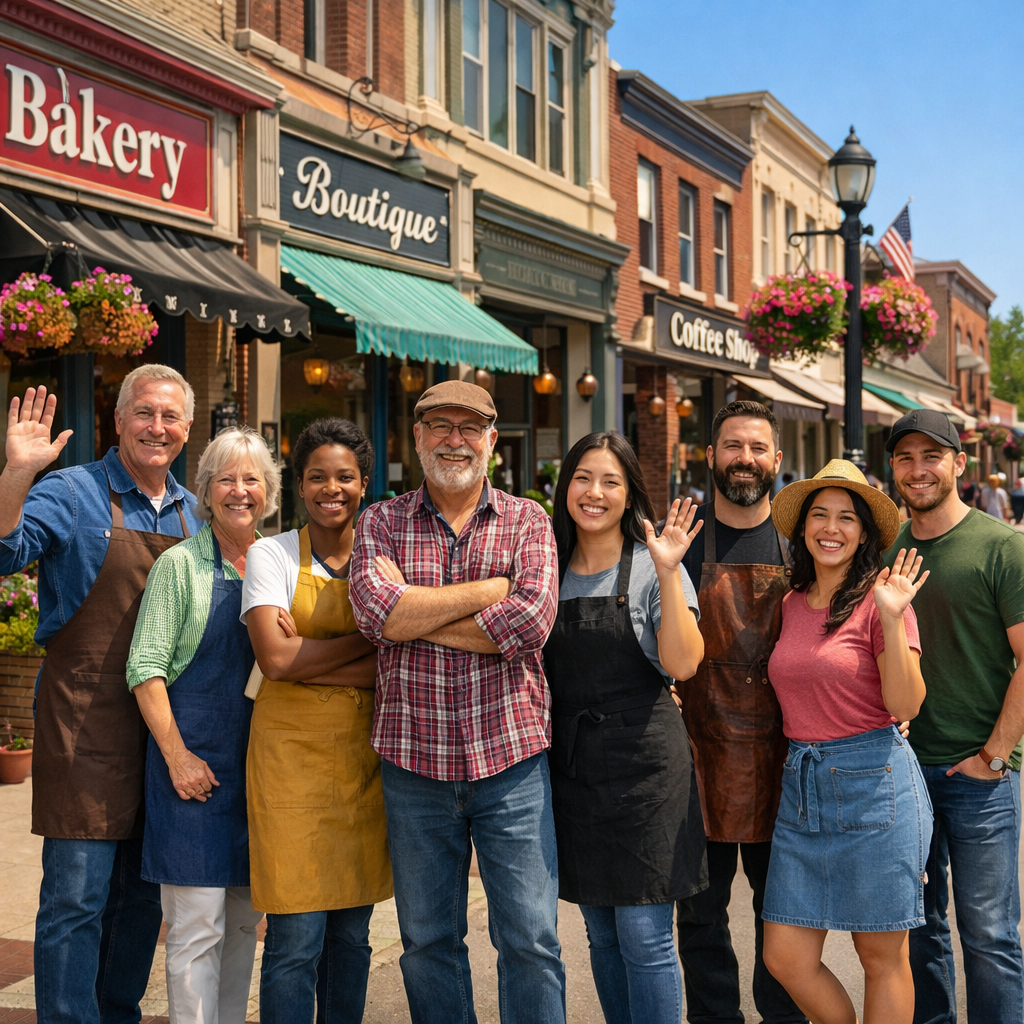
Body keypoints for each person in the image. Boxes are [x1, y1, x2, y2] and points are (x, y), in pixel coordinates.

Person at [349, 381, 565, 1024]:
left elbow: (530, 624)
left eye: (469, 428)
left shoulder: (529, 520)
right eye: (439, 426)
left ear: (492, 442)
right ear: (416, 438)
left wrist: (413, 612)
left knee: (529, 940)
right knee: (426, 942)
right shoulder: (380, 522)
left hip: (512, 763)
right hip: (414, 766)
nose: (454, 439)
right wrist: (488, 590)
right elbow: (373, 613)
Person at [0, 368, 199, 1024]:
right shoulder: (71, 491)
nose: (157, 428)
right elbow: (4, 552)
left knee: (143, 898)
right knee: (76, 896)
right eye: (144, 413)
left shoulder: (195, 512)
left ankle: (118, 1012)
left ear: (188, 430)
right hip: (82, 723)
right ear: (118, 421)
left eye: (171, 417)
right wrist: (16, 475)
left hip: (164, 731)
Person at [545, 431, 707, 1024]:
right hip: (575, 770)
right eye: (583, 478)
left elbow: (684, 664)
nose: (595, 493)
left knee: (645, 937)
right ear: (566, 489)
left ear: (629, 492)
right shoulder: (546, 566)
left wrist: (669, 570)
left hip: (646, 772)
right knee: (602, 935)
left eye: (611, 481)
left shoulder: (652, 565)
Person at [762, 460, 932, 1024]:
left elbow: (906, 706)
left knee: (880, 955)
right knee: (785, 956)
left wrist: (890, 617)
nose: (830, 529)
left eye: (845, 518)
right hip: (803, 785)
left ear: (864, 533)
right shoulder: (792, 601)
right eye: (819, 515)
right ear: (804, 527)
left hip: (873, 781)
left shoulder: (883, 599)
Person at [127, 426, 280, 1024]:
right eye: (227, 479)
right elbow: (146, 668)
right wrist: (177, 756)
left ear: (268, 491)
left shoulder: (278, 563)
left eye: (252, 479)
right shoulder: (179, 566)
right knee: (195, 926)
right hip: (192, 764)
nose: (240, 491)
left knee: (244, 921)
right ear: (205, 491)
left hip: (259, 771)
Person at [242, 418, 391, 1024]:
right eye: (317, 477)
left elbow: (399, 670)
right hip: (288, 769)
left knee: (352, 940)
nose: (333, 488)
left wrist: (312, 657)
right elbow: (275, 661)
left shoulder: (385, 557)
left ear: (364, 483)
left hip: (364, 766)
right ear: (300, 486)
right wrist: (370, 634)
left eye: (346, 477)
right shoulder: (269, 553)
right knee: (294, 941)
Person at [886, 409, 1024, 1023]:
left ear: (960, 464)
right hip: (903, 775)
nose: (918, 470)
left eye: (931, 456)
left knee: (990, 937)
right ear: (892, 468)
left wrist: (994, 755)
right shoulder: (886, 549)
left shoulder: (1002, 547)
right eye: (905, 458)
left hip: (980, 777)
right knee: (919, 932)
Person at [674, 400, 807, 1024]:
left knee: (780, 922)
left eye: (757, 448)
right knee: (699, 921)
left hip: (784, 760)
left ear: (777, 460)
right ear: (710, 456)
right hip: (697, 759)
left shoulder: (802, 544)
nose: (745, 460)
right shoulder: (683, 539)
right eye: (733, 446)